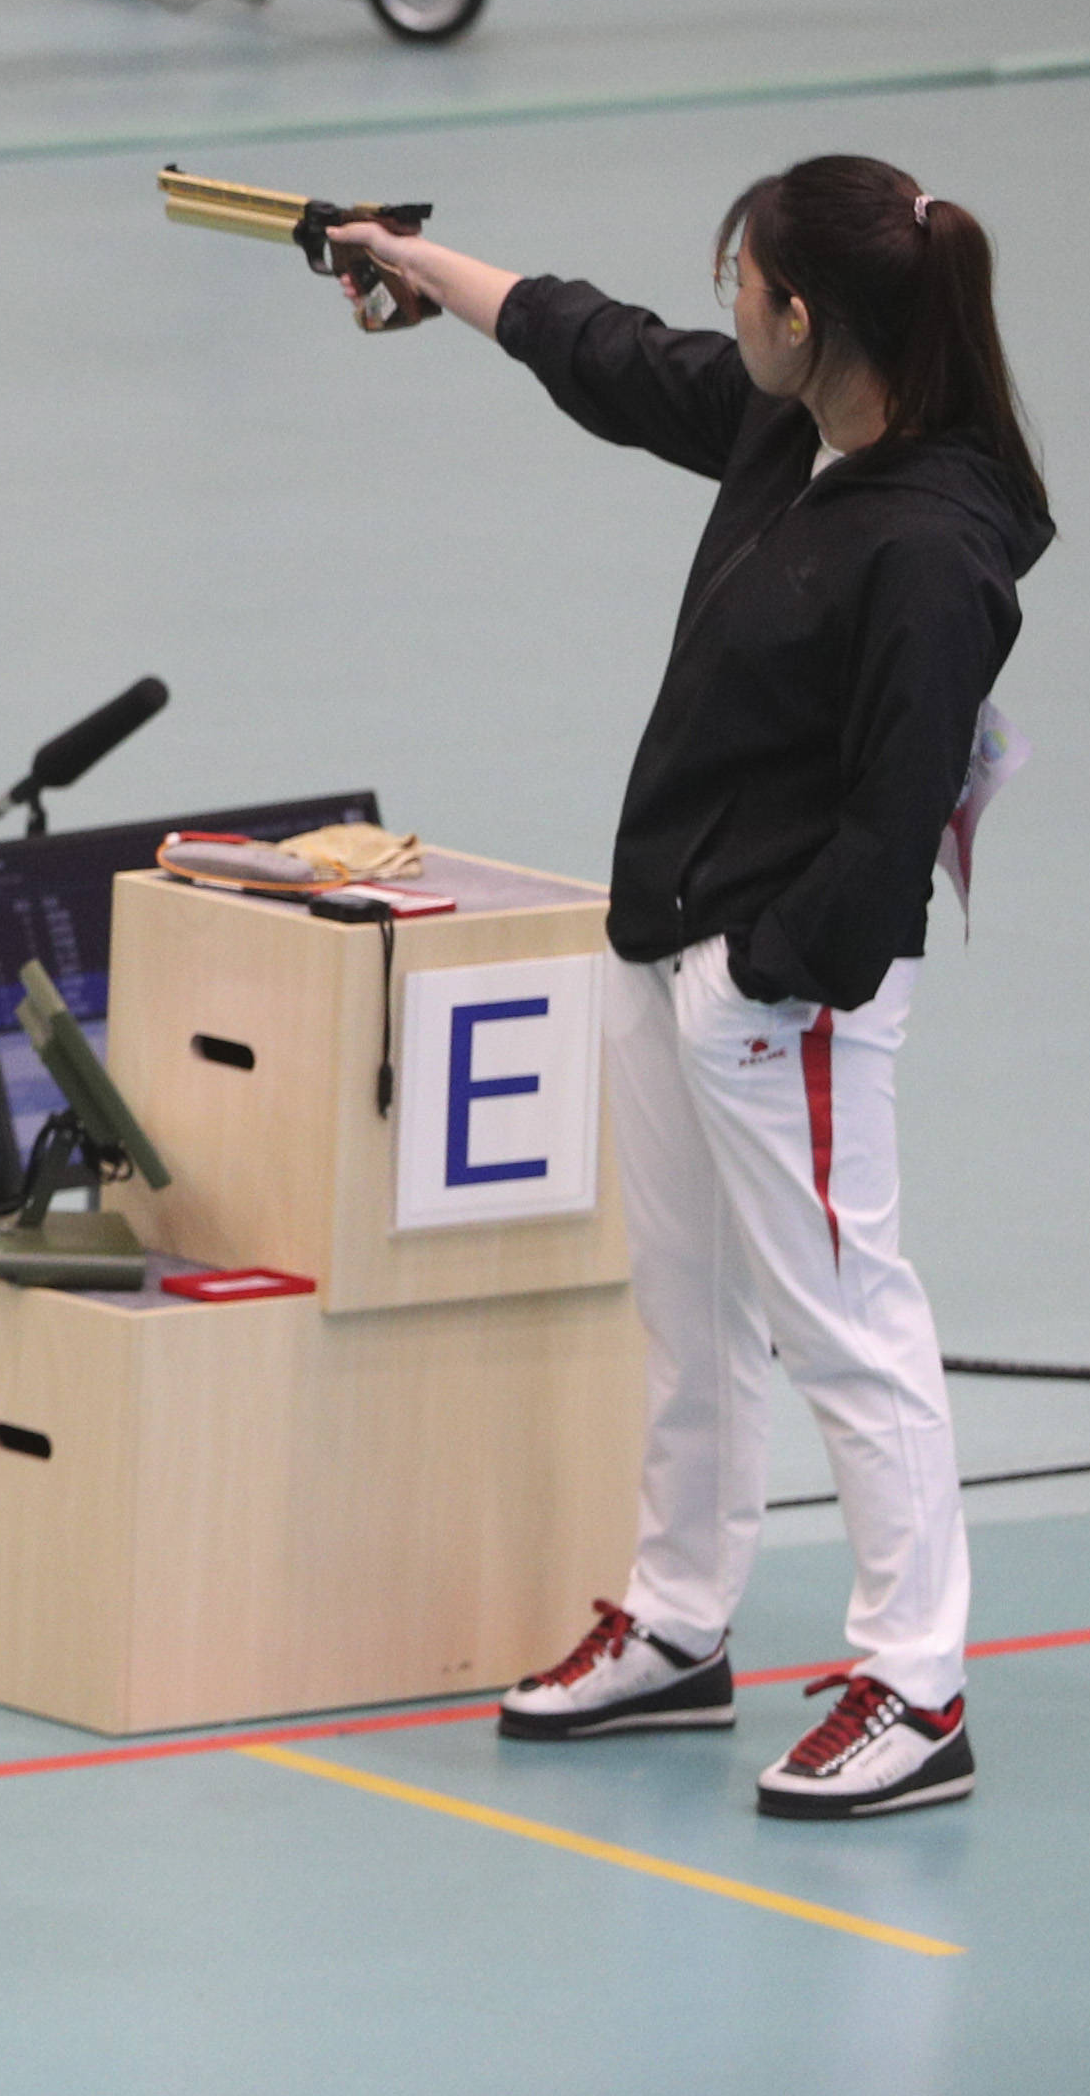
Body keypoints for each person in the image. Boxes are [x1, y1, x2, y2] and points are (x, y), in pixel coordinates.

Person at [327, 158, 1044, 1819]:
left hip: (778, 994)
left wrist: (768, 984)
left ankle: (915, 1684)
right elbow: (610, 353)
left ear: (807, 318)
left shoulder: (932, 547)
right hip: (668, 944)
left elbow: (889, 817)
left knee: (849, 1325)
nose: (722, 301)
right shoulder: (791, 421)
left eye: (741, 280)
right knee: (691, 1320)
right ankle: (679, 1628)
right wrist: (420, 269)